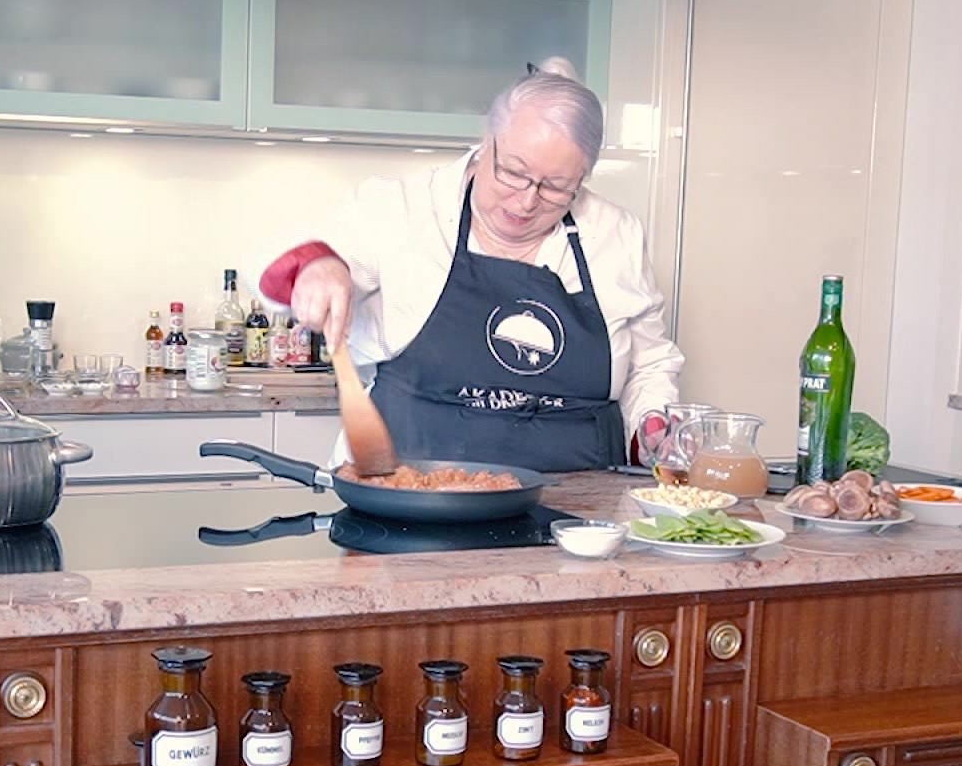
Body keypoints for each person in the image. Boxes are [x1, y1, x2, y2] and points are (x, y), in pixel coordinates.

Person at [258, 59, 683, 473]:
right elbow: (278, 267)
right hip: (412, 494)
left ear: (583, 178)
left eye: (556, 188)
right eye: (513, 172)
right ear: (486, 141)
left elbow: (648, 362)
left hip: (584, 502)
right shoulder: (400, 209)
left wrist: (653, 421)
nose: (527, 200)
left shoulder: (615, 232)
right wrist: (319, 265)